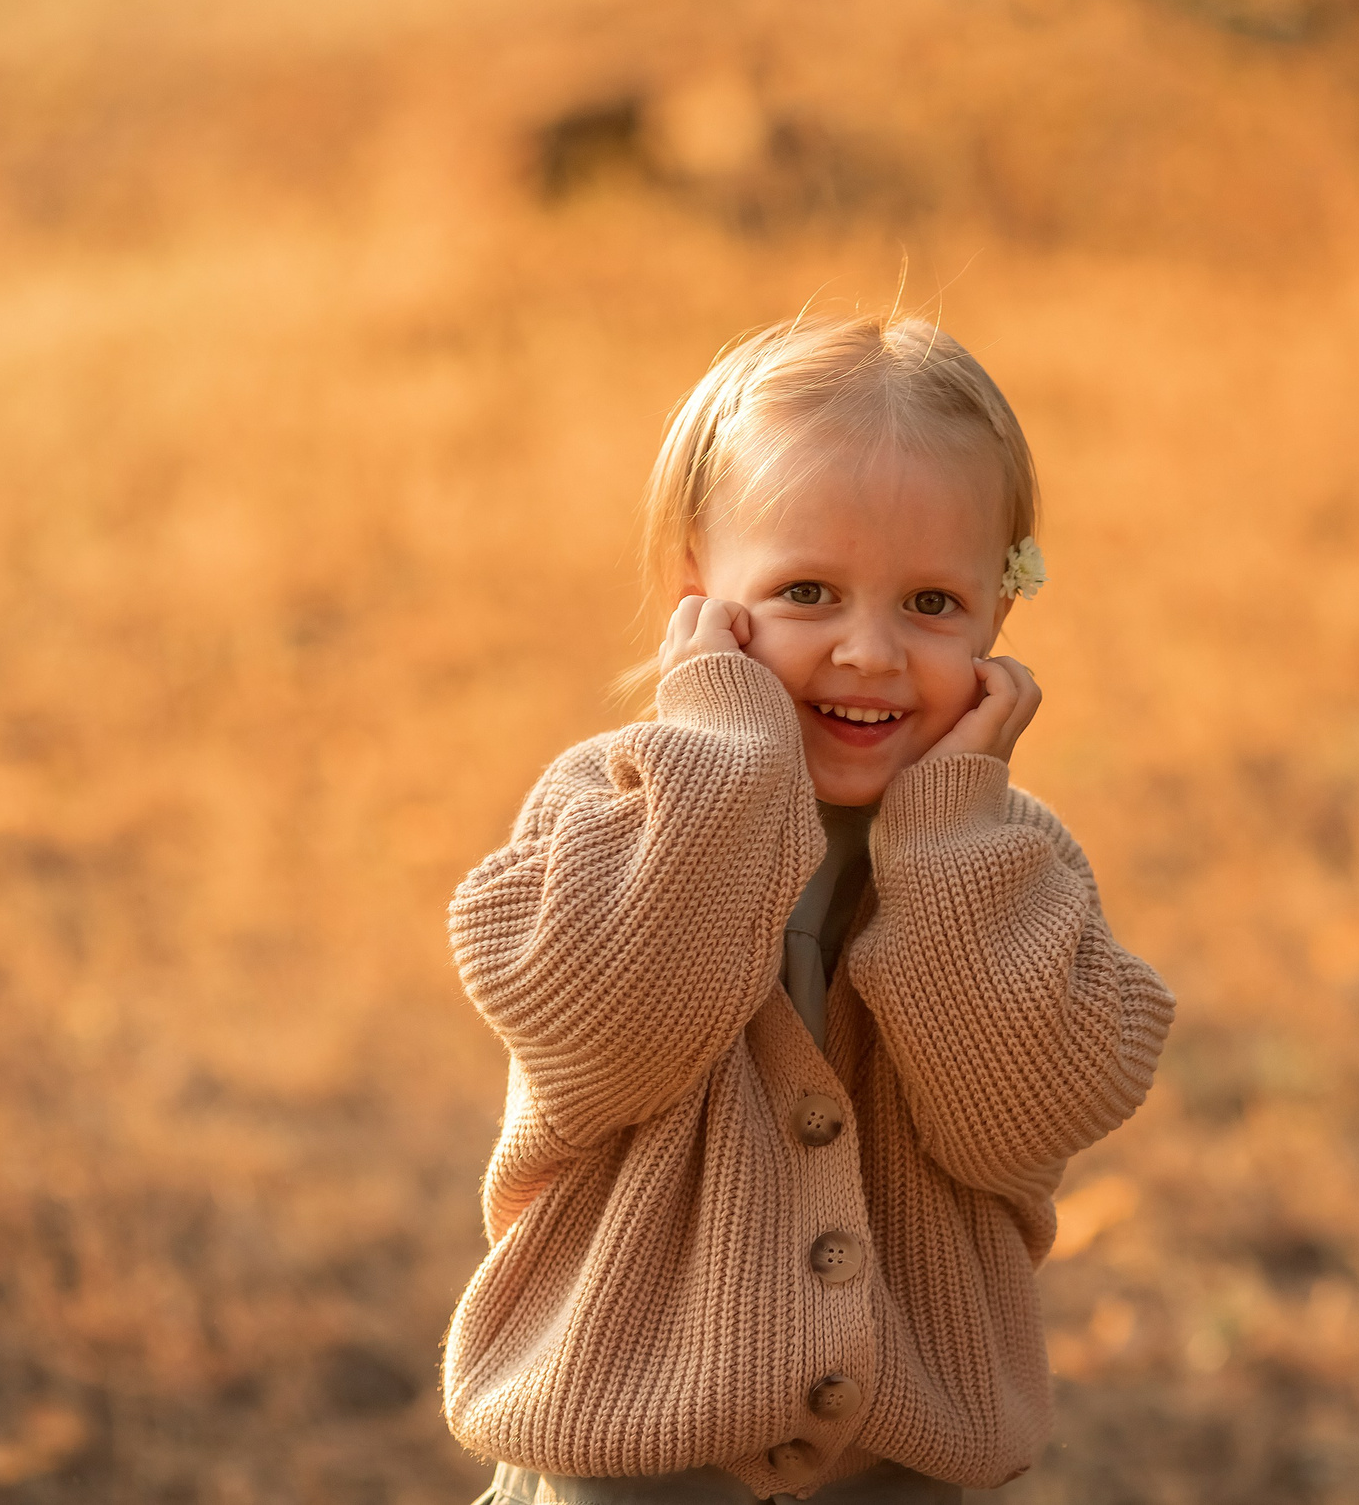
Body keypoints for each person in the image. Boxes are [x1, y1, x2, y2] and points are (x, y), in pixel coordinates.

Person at [441, 315, 1174, 1504]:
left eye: (931, 603)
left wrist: (946, 840)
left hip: (908, 1466)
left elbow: (1021, 1120)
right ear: (701, 596)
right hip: (626, 1451)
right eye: (806, 592)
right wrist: (723, 758)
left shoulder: (1008, 857)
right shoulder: (619, 803)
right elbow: (605, 1040)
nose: (869, 652)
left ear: (1001, 610)